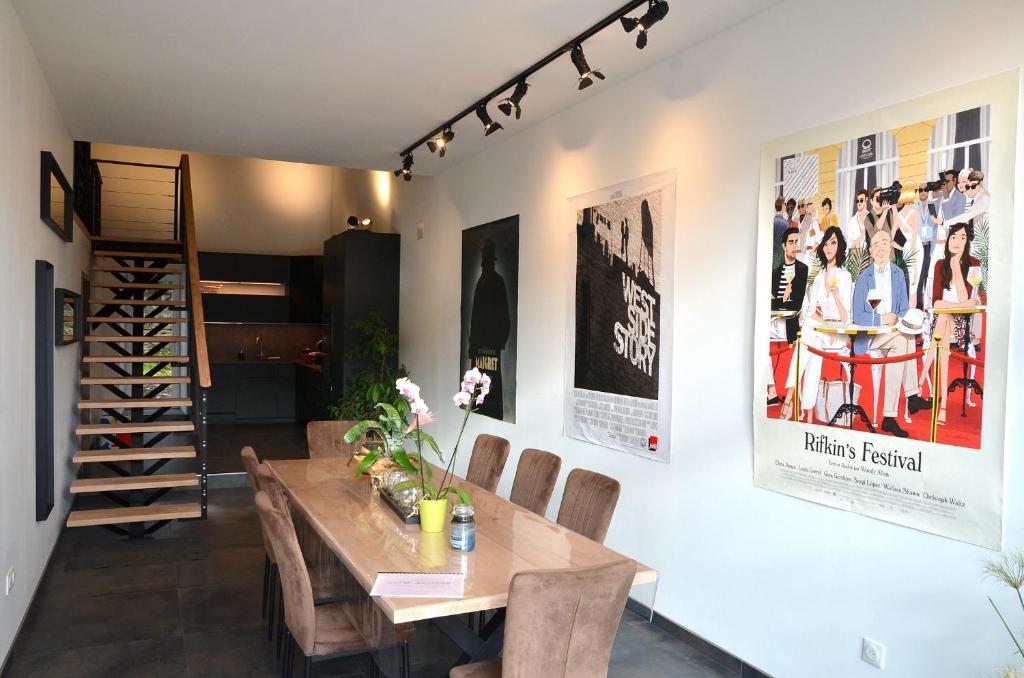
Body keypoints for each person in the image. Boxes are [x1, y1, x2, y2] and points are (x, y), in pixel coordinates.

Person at [851, 230, 932, 437]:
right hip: (871, 335)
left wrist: (902, 320)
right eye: (876, 244)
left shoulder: (898, 273)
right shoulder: (863, 277)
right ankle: (911, 397)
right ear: (870, 251)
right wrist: (880, 319)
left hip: (893, 333)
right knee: (904, 340)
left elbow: (904, 309)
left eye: (884, 243)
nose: (880, 248)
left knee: (904, 338)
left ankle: (890, 416)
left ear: (890, 247)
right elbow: (857, 314)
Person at [780, 227, 852, 422]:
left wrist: (837, 299)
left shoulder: (845, 277)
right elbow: (811, 312)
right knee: (812, 347)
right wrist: (821, 322)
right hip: (820, 332)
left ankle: (790, 396)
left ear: (840, 246)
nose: (829, 247)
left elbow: (846, 319)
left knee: (809, 333)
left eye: (833, 242)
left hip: (838, 333)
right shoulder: (819, 279)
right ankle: (809, 410)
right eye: (826, 243)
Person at [918, 223, 980, 425]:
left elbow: (967, 300)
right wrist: (959, 305)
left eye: (962, 237)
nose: (957, 241)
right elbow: (936, 302)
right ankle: (942, 407)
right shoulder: (939, 265)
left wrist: (956, 269)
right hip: (943, 320)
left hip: (964, 323)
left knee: (944, 318)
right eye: (954, 236)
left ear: (967, 242)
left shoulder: (974, 263)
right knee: (943, 318)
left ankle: (923, 376)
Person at [468, 239, 511, 420]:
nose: (484, 265)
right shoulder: (481, 282)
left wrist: (498, 342)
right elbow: (475, 317)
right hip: (480, 346)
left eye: (486, 261)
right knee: (479, 389)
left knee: (491, 388)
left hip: (489, 347)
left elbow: (504, 317)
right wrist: (473, 344)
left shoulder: (496, 282)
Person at [767, 227, 807, 405]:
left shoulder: (802, 269)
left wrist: (779, 300)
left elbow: (796, 303)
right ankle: (772, 390)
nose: (794, 246)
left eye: (796, 242)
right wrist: (782, 299)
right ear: (784, 246)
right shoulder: (775, 273)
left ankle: (782, 393)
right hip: (773, 322)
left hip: (790, 323)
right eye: (791, 242)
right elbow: (769, 303)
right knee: (757, 342)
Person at [914, 184, 938, 309]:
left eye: (925, 190)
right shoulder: (914, 207)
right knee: (919, 274)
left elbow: (937, 225)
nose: (923, 192)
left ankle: (928, 304)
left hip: (929, 245)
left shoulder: (933, 206)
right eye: (920, 190)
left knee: (928, 275)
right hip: (919, 245)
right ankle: (919, 304)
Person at [798, 200, 821, 266]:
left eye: (813, 209)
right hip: (804, 252)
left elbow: (819, 236)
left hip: (810, 251)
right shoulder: (805, 222)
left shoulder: (814, 221)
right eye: (810, 208)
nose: (811, 210)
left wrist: (813, 249)